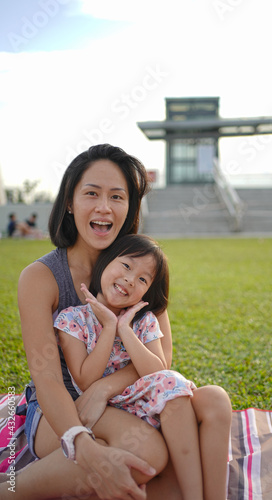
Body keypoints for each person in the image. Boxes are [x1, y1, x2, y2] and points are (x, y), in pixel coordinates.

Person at [0, 144, 231, 500]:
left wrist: (103, 389)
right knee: (149, 453)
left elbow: (162, 362)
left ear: (130, 207)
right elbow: (47, 381)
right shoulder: (42, 277)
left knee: (212, 402)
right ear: (69, 202)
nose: (104, 207)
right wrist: (85, 447)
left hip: (130, 399)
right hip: (59, 410)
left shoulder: (140, 267)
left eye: (117, 197)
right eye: (91, 193)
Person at [55, 233, 206, 499]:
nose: (129, 280)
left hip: (141, 403)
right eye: (126, 266)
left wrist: (124, 329)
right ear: (105, 262)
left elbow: (159, 372)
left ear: (147, 292)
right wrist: (109, 327)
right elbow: (85, 381)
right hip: (103, 409)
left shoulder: (143, 321)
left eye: (143, 279)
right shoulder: (73, 319)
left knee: (175, 385)